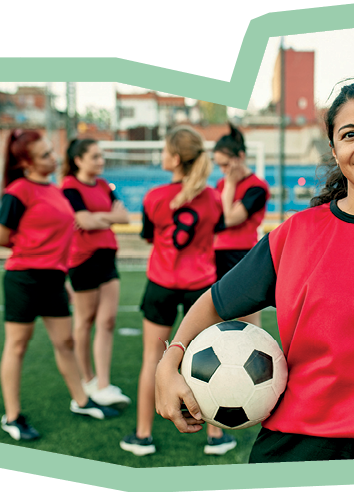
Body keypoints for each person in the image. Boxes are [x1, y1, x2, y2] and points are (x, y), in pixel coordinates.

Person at [154, 78, 354, 463]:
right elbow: (213, 303)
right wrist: (169, 361)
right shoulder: (297, 234)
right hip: (293, 452)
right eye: (350, 134)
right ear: (335, 148)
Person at [0, 130, 118, 442]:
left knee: (65, 343)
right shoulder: (18, 191)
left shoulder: (56, 191)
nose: (54, 158)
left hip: (54, 279)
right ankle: (12, 416)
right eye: (46, 155)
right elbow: (0, 238)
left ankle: (82, 400)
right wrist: (32, 251)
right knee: (17, 346)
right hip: (24, 278)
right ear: (26, 162)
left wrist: (59, 274)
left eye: (52, 151)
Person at [120, 126, 237, 457]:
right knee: (209, 359)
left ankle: (143, 436)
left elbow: (147, 236)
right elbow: (217, 228)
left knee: (151, 360)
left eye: (164, 150)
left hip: (161, 284)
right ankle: (215, 435)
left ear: (174, 158)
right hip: (200, 288)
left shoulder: (154, 197)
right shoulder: (212, 197)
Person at [61, 139, 131, 409]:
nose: (101, 161)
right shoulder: (69, 186)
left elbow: (124, 217)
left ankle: (103, 383)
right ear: (78, 160)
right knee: (85, 321)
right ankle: (87, 379)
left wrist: (97, 218)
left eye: (101, 156)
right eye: (95, 157)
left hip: (107, 256)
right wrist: (105, 217)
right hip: (82, 259)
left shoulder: (103, 185)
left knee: (108, 321)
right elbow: (83, 221)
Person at [212, 124, 269, 326]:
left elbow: (229, 219)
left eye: (226, 164)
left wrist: (230, 186)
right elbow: (218, 222)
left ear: (241, 156)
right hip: (217, 254)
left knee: (248, 320)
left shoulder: (257, 187)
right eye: (219, 165)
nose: (223, 171)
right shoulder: (219, 185)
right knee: (216, 318)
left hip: (244, 254)